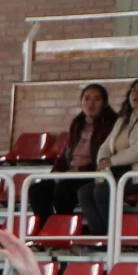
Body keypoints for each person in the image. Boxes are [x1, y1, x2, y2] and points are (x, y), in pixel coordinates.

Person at [78, 76, 138, 235]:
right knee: (85, 192)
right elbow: (106, 146)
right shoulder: (123, 120)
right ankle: (102, 237)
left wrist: (112, 161)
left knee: (103, 191)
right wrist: (103, 161)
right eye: (134, 90)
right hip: (124, 174)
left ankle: (117, 237)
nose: (137, 93)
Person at [29, 84, 115, 222]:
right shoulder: (77, 124)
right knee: (36, 190)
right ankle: (47, 228)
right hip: (70, 173)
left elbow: (104, 156)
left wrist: (77, 171)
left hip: (92, 174)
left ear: (104, 103)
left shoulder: (111, 124)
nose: (91, 104)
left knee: (63, 191)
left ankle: (63, 228)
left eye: (96, 99)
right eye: (86, 99)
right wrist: (57, 171)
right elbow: (66, 153)